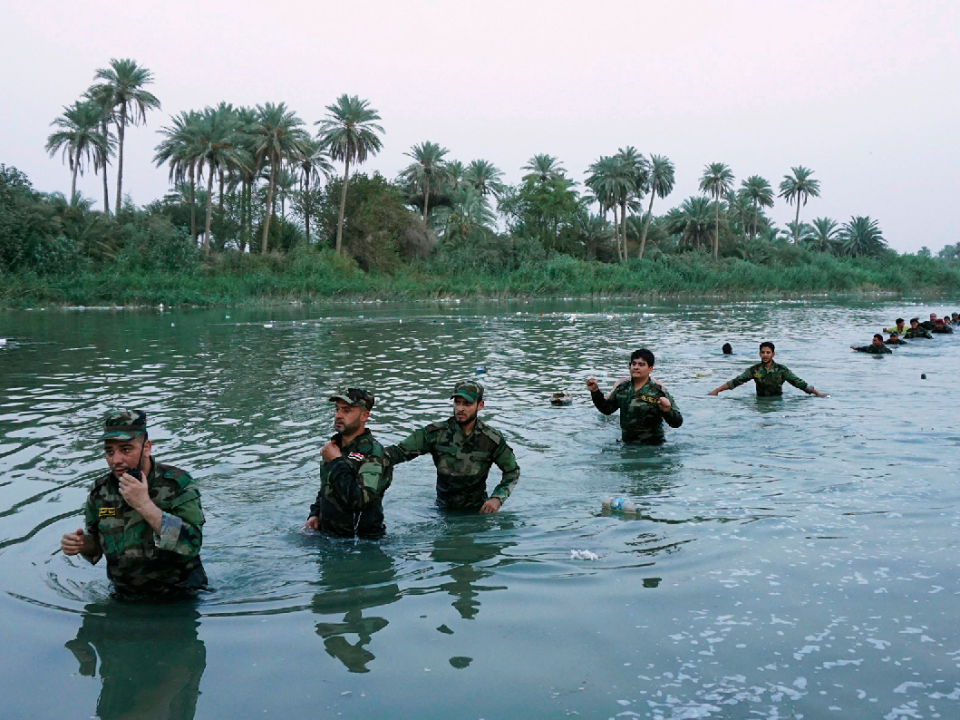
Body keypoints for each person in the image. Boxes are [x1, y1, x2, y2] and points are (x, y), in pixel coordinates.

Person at [60, 410, 207, 599]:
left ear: (146, 448)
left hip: (179, 598)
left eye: (126, 449)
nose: (116, 460)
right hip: (123, 597)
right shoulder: (100, 491)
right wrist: (81, 544)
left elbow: (192, 543)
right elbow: (96, 545)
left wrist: (145, 505)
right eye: (109, 452)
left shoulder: (177, 484)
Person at [383, 380, 519, 514]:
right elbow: (398, 453)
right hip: (442, 508)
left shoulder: (491, 439)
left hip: (477, 511)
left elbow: (512, 472)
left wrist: (497, 498)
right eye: (457, 402)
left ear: (480, 405)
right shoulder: (435, 434)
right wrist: (367, 454)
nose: (460, 408)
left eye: (467, 403)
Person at [306, 387, 393, 538]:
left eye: (346, 411)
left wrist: (336, 462)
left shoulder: (374, 454)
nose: (338, 416)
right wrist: (315, 514)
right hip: (328, 537)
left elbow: (360, 500)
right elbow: (327, 487)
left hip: (360, 544)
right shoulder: (335, 447)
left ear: (364, 416)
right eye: (337, 409)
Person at [585, 348, 683, 444]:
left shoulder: (658, 391)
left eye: (641, 364)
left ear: (650, 369)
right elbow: (606, 409)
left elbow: (677, 423)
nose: (636, 367)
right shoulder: (622, 388)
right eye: (633, 364)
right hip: (627, 444)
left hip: (653, 446)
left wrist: (667, 410)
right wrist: (595, 392)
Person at [708, 342, 827, 398]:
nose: (765, 355)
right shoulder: (754, 370)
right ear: (759, 354)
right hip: (760, 401)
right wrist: (716, 391)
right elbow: (736, 381)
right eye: (763, 352)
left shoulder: (781, 370)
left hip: (777, 401)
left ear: (773, 354)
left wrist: (818, 393)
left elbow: (799, 383)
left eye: (768, 353)